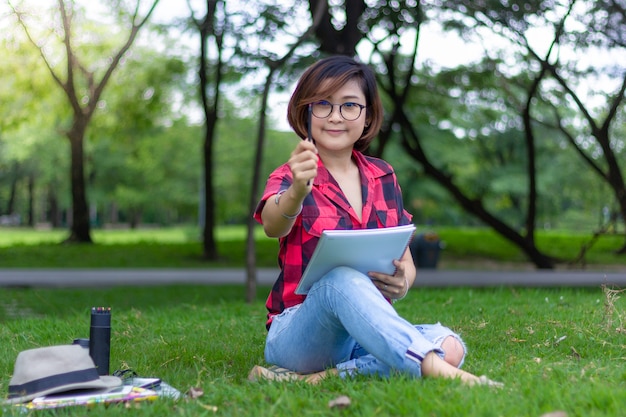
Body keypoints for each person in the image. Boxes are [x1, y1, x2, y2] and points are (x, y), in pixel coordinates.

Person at [250, 55, 500, 387]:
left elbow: (405, 260)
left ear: (367, 117)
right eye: (323, 104)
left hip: (360, 334)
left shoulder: (382, 175)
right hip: (300, 334)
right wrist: (297, 189)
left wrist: (403, 281)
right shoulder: (292, 173)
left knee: (449, 344)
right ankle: (442, 372)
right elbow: (273, 224)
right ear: (305, 112)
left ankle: (320, 379)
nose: (336, 117)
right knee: (341, 278)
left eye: (350, 105)